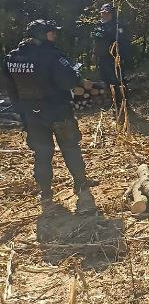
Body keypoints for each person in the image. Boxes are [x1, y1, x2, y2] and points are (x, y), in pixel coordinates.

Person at [3, 20, 96, 213]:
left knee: (42, 153)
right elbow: (69, 81)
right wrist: (77, 76)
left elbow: (11, 90)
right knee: (70, 148)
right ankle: (80, 184)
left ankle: (45, 193)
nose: (54, 35)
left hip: (32, 115)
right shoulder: (52, 56)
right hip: (58, 112)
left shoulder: (12, 58)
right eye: (51, 33)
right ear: (42, 35)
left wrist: (23, 112)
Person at [92, 3, 131, 112]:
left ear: (112, 14)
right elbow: (96, 41)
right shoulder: (99, 26)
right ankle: (114, 105)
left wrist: (121, 56)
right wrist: (94, 54)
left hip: (114, 59)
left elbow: (124, 43)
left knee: (118, 82)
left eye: (107, 13)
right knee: (107, 81)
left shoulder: (117, 26)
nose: (104, 15)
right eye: (103, 13)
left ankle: (124, 106)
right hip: (103, 59)